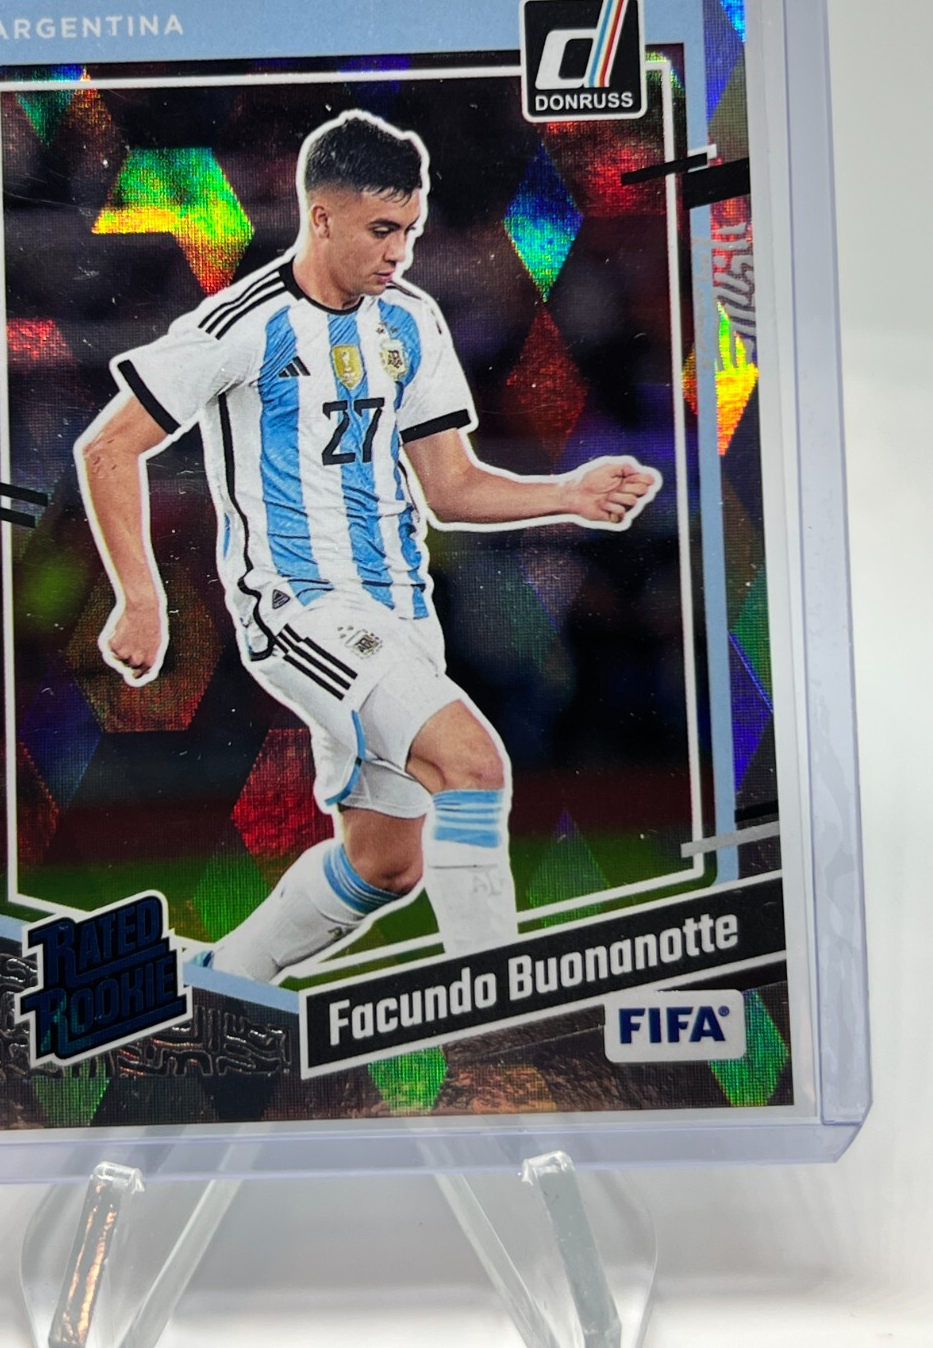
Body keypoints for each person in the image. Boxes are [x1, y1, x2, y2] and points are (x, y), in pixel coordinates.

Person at [76, 110, 659, 985]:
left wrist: (567, 494)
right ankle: (493, 1008)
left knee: (385, 865)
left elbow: (451, 487)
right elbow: (108, 447)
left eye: (410, 231)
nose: (400, 252)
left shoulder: (411, 320)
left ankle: (215, 985)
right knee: (475, 764)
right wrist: (141, 596)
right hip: (300, 606)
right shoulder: (244, 323)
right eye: (382, 230)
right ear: (320, 217)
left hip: (401, 613)